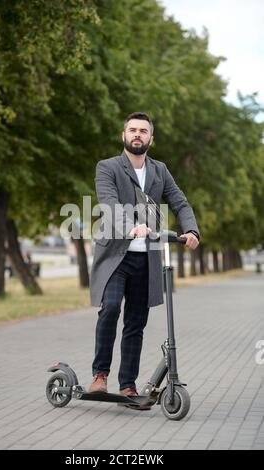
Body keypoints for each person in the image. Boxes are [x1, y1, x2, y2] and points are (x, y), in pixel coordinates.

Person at [89, 112, 200, 408]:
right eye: (132, 130)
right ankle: (100, 375)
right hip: (116, 256)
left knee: (136, 323)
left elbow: (179, 200)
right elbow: (109, 203)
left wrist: (190, 229)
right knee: (110, 308)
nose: (137, 134)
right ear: (124, 135)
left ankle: (127, 385)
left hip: (146, 259)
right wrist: (130, 226)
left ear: (151, 138)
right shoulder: (108, 167)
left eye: (143, 131)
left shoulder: (160, 170)